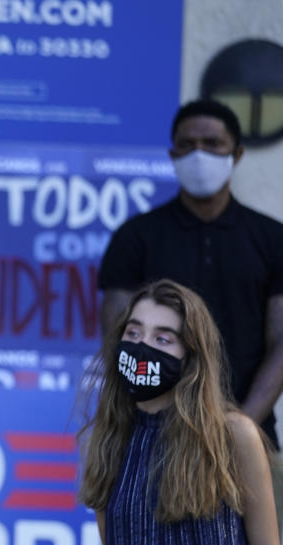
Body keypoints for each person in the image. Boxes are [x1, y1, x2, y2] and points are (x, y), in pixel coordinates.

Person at [78, 279, 283, 545]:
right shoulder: (107, 438)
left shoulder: (234, 435)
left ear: (191, 356)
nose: (142, 347)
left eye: (162, 338)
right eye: (134, 332)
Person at [98, 99, 283, 449]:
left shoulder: (272, 239)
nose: (199, 154)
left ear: (237, 154)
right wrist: (154, 417)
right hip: (153, 438)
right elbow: (118, 342)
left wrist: (240, 427)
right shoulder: (136, 237)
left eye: (212, 144)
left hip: (251, 438)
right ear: (172, 155)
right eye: (187, 145)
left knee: (265, 507)